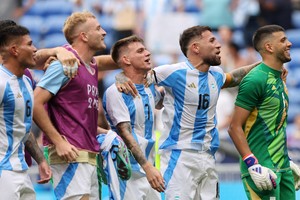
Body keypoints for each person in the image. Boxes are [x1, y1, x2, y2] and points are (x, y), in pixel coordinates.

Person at [116, 25, 267, 199]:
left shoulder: (216, 74)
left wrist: (265, 64)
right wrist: (120, 78)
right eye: (212, 40)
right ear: (195, 47)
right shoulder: (174, 72)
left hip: (208, 156)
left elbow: (235, 77)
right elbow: (137, 74)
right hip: (180, 157)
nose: (219, 45)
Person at [33, 11, 117, 199]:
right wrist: (59, 141)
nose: (104, 32)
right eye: (98, 28)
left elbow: (78, 118)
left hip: (88, 154)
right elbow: (36, 102)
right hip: (69, 153)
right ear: (84, 36)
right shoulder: (65, 64)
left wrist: (109, 134)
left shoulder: (91, 66)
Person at [228, 25, 300, 199]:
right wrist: (252, 164)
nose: (290, 43)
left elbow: (274, 124)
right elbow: (234, 127)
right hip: (262, 169)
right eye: (283, 40)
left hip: (282, 166)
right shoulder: (255, 79)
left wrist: (286, 160)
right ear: (269, 47)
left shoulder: (280, 77)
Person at [102, 35, 165, 200]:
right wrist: (147, 166)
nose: (148, 53)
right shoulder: (116, 92)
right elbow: (125, 133)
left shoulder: (149, 87)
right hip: (127, 168)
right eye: (140, 51)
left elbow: (160, 101)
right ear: (126, 59)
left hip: (149, 166)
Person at [0, 23, 52, 199]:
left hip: (22, 169)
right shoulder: (1, 82)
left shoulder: (27, 82)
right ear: (15, 50)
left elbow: (23, 128)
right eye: (29, 44)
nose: (35, 49)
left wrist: (41, 160)